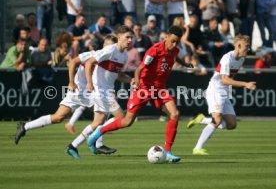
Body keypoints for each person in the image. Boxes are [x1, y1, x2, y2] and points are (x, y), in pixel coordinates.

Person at [86, 26, 185, 163]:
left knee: (174, 114)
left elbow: (176, 57)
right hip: (144, 87)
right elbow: (139, 69)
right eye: (172, 41)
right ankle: (98, 132)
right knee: (127, 121)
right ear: (166, 37)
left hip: (159, 89)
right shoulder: (154, 50)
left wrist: (186, 64)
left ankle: (167, 151)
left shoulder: (175, 50)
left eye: (177, 42)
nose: (174, 45)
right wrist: (137, 81)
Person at [15, 36, 119, 155]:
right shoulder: (93, 54)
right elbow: (73, 62)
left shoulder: (108, 60)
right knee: (103, 113)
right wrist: (71, 82)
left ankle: (25, 126)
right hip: (81, 90)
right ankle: (96, 144)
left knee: (58, 117)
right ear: (105, 46)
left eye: (113, 46)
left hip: (85, 92)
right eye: (110, 46)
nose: (112, 49)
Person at [65, 25, 134, 159]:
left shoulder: (124, 56)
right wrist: (90, 83)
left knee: (97, 123)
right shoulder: (110, 50)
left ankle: (72, 146)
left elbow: (119, 75)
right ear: (119, 38)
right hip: (101, 91)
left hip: (107, 90)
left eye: (131, 37)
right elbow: (90, 62)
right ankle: (94, 138)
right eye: (127, 37)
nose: (130, 40)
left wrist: (130, 80)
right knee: (122, 118)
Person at [186, 35, 256, 155]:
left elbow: (227, 80)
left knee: (232, 124)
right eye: (246, 46)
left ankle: (202, 120)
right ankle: (197, 148)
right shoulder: (227, 58)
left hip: (224, 91)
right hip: (215, 90)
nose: (248, 49)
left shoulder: (241, 59)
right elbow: (224, 80)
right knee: (217, 119)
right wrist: (245, 84)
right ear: (238, 46)